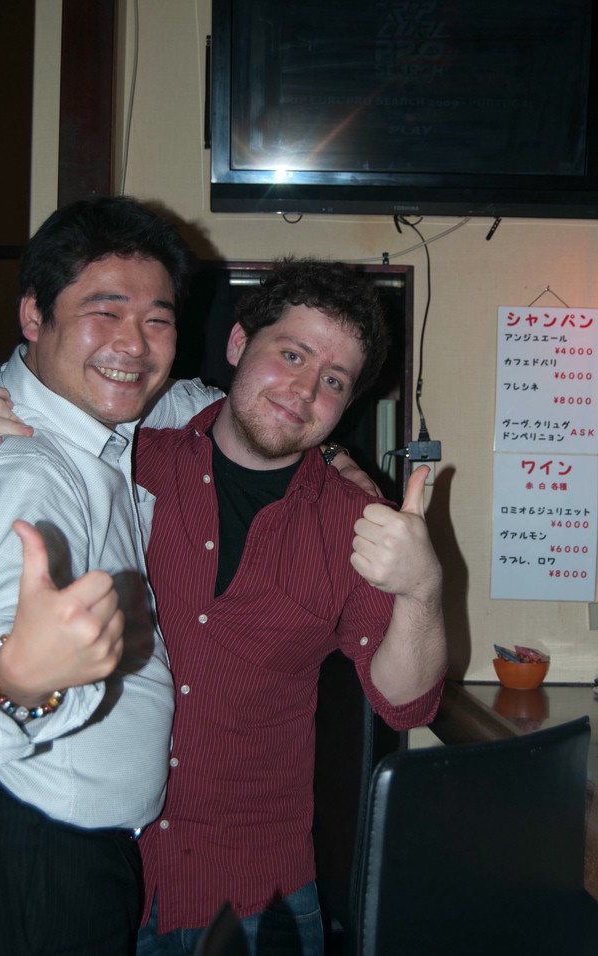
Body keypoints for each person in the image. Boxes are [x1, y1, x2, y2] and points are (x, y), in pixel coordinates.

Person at [132, 258, 447, 955]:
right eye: (292, 354)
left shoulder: (355, 521)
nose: (304, 390)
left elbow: (405, 705)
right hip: (106, 877)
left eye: (333, 380)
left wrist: (423, 587)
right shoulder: (126, 463)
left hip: (254, 897)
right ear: (241, 345)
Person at [0, 195, 224, 956]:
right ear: (33, 316)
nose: (134, 345)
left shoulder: (97, 425)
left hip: (80, 840)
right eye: (104, 312)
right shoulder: (30, 466)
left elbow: (192, 399)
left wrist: (330, 453)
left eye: (158, 320)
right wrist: (20, 681)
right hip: (46, 842)